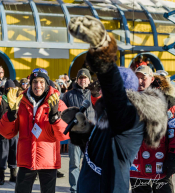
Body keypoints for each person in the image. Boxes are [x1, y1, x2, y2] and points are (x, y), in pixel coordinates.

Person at [66, 15, 168, 193]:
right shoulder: (108, 117)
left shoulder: (130, 117)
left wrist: (103, 49)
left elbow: (115, 94)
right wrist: (82, 133)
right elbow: (97, 153)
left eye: (105, 88)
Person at [0, 68, 69, 193]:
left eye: (41, 82)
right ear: (30, 83)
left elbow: (65, 134)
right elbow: (6, 133)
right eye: (35, 82)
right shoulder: (21, 101)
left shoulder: (58, 102)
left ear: (47, 84)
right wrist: (11, 114)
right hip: (26, 159)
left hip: (48, 160)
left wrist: (55, 118)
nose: (38, 85)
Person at [130, 65, 175, 193]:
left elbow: (174, 128)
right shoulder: (129, 100)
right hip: (136, 163)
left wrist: (173, 155)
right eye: (136, 78)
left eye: (143, 78)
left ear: (151, 79)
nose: (139, 81)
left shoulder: (167, 100)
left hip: (160, 161)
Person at [62, 68, 95, 193]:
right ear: (77, 80)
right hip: (75, 135)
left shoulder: (95, 93)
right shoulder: (69, 94)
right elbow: (63, 113)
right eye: (80, 78)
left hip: (92, 135)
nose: (82, 80)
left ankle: (89, 188)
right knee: (74, 164)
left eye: (85, 78)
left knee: (91, 164)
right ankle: (74, 189)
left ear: (89, 80)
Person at [0, 80, 18, 185]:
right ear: (5, 89)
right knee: (2, 152)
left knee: (13, 152)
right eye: (8, 89)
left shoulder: (17, 100)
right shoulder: (0, 100)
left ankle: (13, 174)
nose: (10, 91)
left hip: (14, 131)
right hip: (2, 131)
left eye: (12, 89)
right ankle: (1, 175)